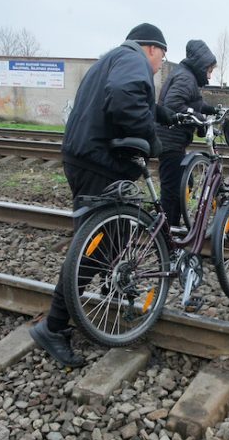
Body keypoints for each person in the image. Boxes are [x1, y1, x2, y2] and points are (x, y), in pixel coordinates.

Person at [29, 23, 173, 368]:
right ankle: (54, 326)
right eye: (162, 58)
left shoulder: (110, 58)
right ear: (151, 48)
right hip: (97, 162)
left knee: (109, 241)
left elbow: (122, 97)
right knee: (94, 248)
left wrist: (161, 113)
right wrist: (151, 139)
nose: (160, 66)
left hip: (86, 157)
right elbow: (125, 97)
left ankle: (106, 308)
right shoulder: (133, 59)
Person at [155, 39, 217, 226]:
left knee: (184, 183)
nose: (210, 76)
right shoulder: (185, 78)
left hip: (173, 141)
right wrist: (200, 118)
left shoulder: (186, 76)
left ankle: (173, 228)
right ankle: (168, 233)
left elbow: (192, 102)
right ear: (201, 65)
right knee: (173, 191)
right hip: (169, 140)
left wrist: (211, 110)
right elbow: (173, 104)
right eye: (209, 70)